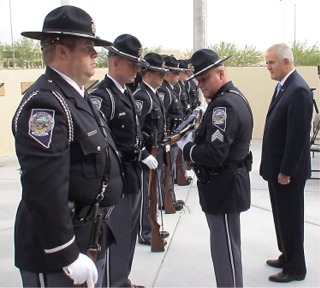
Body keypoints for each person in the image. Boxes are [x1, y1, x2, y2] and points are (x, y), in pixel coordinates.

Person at [11, 5, 124, 288]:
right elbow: (43, 186)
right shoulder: (46, 104)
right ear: (62, 51)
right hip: (58, 251)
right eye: (88, 48)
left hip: (88, 235)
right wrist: (65, 252)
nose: (96, 54)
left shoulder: (77, 97)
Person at [177, 48, 253, 287]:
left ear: (221, 73)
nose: (201, 85)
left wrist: (186, 147)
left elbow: (214, 154)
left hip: (225, 187)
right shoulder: (231, 97)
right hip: (224, 186)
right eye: (198, 80)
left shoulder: (224, 106)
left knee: (226, 252)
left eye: (205, 78)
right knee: (223, 249)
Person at [89, 34, 157, 288]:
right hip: (115, 177)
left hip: (131, 172)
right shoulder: (102, 96)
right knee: (114, 237)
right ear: (115, 62)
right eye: (132, 64)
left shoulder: (125, 92)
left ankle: (121, 281)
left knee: (127, 234)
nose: (137, 70)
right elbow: (99, 144)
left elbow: (133, 133)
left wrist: (143, 154)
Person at [260, 43, 313, 283]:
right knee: (282, 216)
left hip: (287, 173)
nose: (267, 66)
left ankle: (295, 268)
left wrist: (286, 171)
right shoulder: (285, 87)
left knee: (291, 219)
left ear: (286, 63)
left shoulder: (298, 90)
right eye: (267, 62)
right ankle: (286, 255)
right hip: (277, 169)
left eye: (271, 62)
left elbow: (297, 138)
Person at [133, 52, 169, 245]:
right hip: (146, 155)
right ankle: (144, 232)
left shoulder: (152, 95)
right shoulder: (141, 97)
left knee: (153, 193)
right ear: (147, 74)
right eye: (159, 73)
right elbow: (135, 130)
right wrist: (144, 154)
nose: (163, 77)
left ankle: (151, 227)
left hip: (157, 152)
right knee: (146, 196)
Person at [158, 55, 184, 211]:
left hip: (174, 136)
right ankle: (165, 201)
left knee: (171, 169)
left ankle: (170, 199)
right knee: (166, 172)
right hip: (168, 137)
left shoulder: (170, 89)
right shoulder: (163, 91)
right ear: (167, 73)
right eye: (175, 72)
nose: (178, 75)